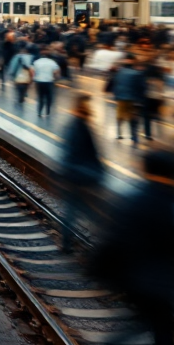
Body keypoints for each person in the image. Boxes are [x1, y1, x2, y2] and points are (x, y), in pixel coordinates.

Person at [96, 151, 174, 345]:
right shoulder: (168, 201)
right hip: (158, 280)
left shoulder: (133, 197)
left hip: (135, 277)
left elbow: (117, 238)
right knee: (162, 333)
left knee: (147, 324)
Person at [60, 93, 103, 252]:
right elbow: (86, 152)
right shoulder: (79, 126)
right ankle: (98, 243)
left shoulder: (75, 124)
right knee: (84, 210)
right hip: (80, 175)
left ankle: (67, 243)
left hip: (74, 173)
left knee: (74, 209)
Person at [110, 59, 146, 144]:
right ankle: (134, 136)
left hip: (121, 98)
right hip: (133, 99)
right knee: (133, 117)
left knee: (120, 115)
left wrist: (116, 95)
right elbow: (141, 87)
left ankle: (119, 133)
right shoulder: (137, 73)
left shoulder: (119, 73)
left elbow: (114, 84)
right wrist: (141, 99)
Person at [32, 48, 61, 118]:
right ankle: (47, 111)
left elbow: (32, 70)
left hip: (39, 81)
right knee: (49, 97)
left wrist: (34, 78)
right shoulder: (52, 62)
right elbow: (56, 71)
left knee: (40, 97)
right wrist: (55, 77)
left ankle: (39, 112)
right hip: (49, 82)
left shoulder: (37, 62)